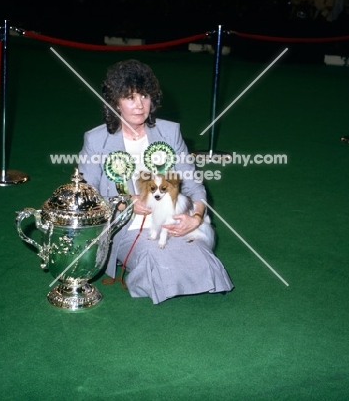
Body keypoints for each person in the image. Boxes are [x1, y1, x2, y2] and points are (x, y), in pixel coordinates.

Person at [78, 59, 234, 304]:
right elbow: (87, 196)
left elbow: (193, 184)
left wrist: (194, 218)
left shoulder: (169, 133)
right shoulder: (96, 140)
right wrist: (126, 202)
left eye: (145, 96)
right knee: (159, 258)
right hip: (128, 226)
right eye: (130, 98)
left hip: (172, 219)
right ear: (115, 102)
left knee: (201, 259)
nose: (140, 105)